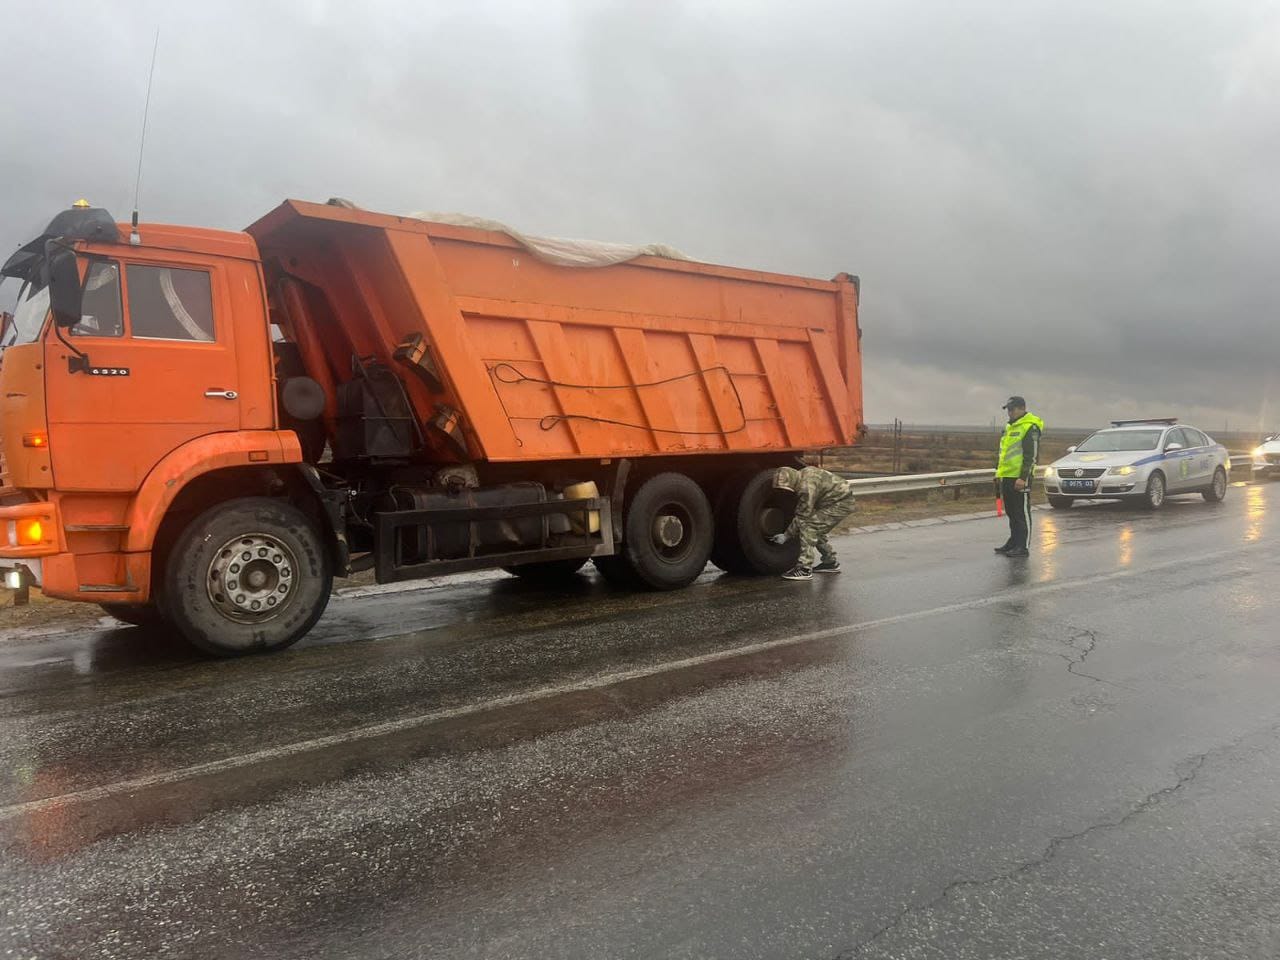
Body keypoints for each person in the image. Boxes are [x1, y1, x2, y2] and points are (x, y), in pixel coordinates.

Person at [770, 465, 857, 581]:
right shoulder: (803, 474)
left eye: (786, 488)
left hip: (840, 503)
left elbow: (802, 517)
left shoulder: (806, 488)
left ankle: (804, 569)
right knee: (816, 528)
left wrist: (786, 536)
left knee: (809, 528)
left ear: (792, 481)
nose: (784, 492)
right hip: (833, 501)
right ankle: (830, 562)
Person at [994, 396, 1045, 558]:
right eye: (1008, 410)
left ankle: (1023, 546)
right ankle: (1014, 541)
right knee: (1011, 512)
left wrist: (1023, 477)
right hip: (1007, 476)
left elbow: (1031, 456)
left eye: (1012, 409)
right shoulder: (1010, 427)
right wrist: (998, 473)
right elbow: (1004, 454)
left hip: (1020, 477)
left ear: (1022, 408)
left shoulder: (1030, 427)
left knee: (1021, 512)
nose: (1009, 413)